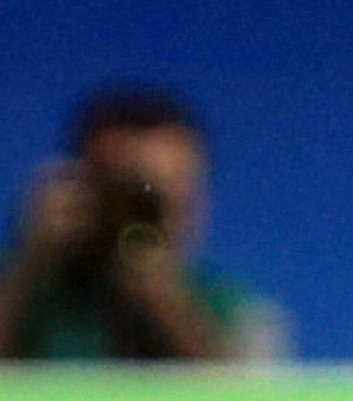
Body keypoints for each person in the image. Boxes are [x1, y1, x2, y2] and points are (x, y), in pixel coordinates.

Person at [0, 87, 283, 361]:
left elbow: (246, 390)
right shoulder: (26, 291)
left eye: (160, 198)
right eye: (118, 192)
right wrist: (29, 267)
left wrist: (169, 306)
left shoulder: (239, 313)